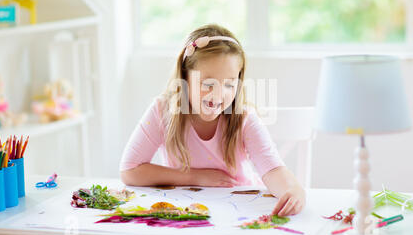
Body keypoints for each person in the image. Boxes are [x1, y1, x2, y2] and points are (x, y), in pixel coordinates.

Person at [120, 24, 305, 216]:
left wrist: (293, 190)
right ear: (185, 77)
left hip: (238, 207)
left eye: (229, 84)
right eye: (208, 84)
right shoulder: (162, 110)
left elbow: (272, 170)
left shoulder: (244, 118)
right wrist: (195, 177)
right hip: (186, 210)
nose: (218, 94)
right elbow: (130, 170)